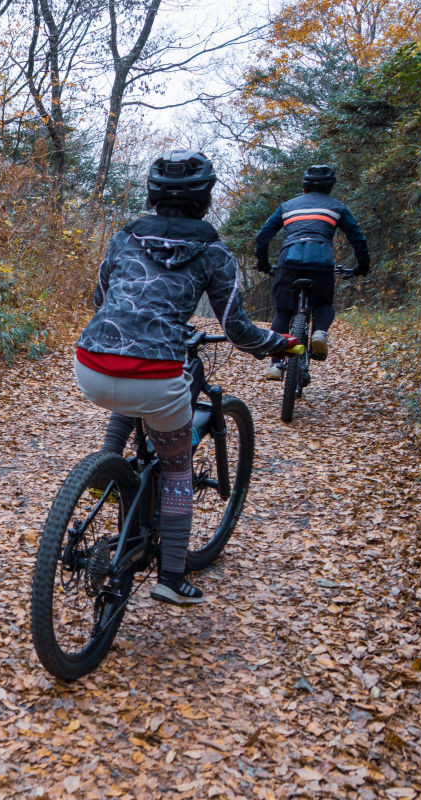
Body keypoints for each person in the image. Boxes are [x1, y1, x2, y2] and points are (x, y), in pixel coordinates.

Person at [74, 150, 297, 606]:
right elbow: (240, 332)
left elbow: (100, 298)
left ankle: (107, 467)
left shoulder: (123, 238)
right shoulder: (214, 253)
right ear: (206, 197)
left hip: (91, 364)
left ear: (153, 194)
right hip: (156, 376)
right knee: (176, 469)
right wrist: (284, 344)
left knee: (129, 391)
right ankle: (172, 577)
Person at [254, 164, 370, 379]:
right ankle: (319, 332)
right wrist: (362, 267)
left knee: (283, 312)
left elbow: (263, 237)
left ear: (304, 186)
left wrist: (263, 263)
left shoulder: (287, 206)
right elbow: (358, 239)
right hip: (321, 263)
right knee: (324, 304)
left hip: (289, 262)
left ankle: (276, 364)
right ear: (330, 187)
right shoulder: (337, 207)